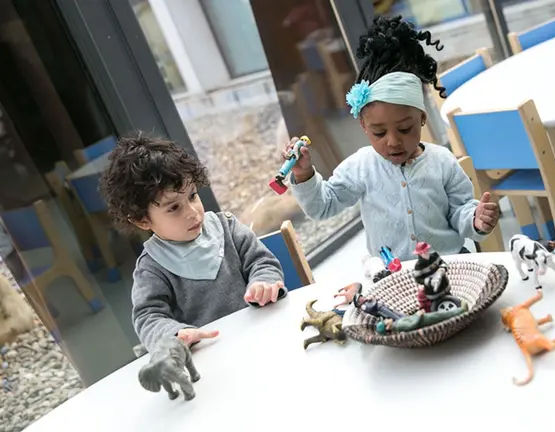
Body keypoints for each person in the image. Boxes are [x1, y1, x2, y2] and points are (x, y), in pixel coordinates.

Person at [283, 15, 500, 262]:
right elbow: (323, 206)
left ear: (422, 118)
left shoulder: (443, 161)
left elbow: (460, 211)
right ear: (363, 126)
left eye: (405, 129)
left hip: (448, 264)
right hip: (393, 275)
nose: (393, 141)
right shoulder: (360, 167)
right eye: (379, 133)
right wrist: (304, 175)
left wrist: (475, 220)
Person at [99, 133, 287, 352]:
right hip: (210, 354)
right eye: (174, 208)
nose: (193, 212)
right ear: (142, 220)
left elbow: (262, 262)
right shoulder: (152, 268)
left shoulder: (227, 227)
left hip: (262, 334)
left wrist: (263, 282)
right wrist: (175, 333)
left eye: (192, 196)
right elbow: (148, 317)